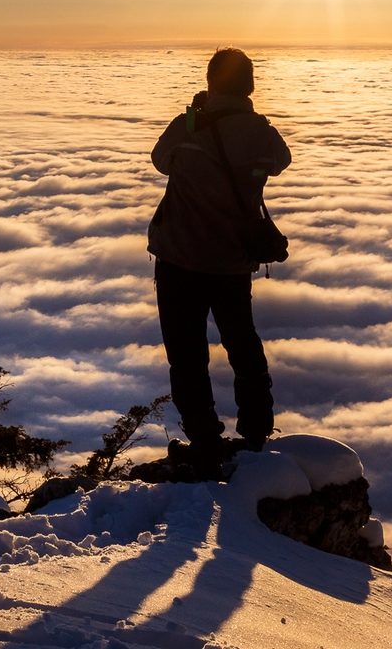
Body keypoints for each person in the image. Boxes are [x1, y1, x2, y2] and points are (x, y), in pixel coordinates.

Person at [147, 48, 291, 479]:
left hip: (180, 261)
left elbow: (159, 160)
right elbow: (280, 162)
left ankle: (205, 442)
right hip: (231, 262)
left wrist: (197, 115)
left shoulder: (189, 126)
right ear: (249, 86)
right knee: (242, 343)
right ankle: (256, 432)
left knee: (187, 355)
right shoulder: (263, 133)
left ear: (211, 84)